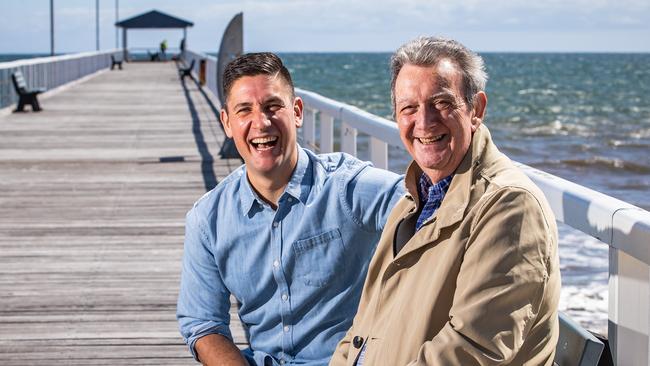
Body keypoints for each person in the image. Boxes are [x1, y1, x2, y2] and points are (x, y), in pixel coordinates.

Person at [330, 37, 561, 365]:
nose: (424, 122)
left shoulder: (510, 206)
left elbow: (471, 349)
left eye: (441, 103)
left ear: (476, 110)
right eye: (409, 108)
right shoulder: (412, 203)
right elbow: (361, 329)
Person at [176, 52, 405, 366]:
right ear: (227, 123)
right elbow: (203, 324)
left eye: (273, 106)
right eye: (245, 110)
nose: (261, 122)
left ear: (297, 112)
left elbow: (435, 203)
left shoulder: (346, 189)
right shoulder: (207, 219)